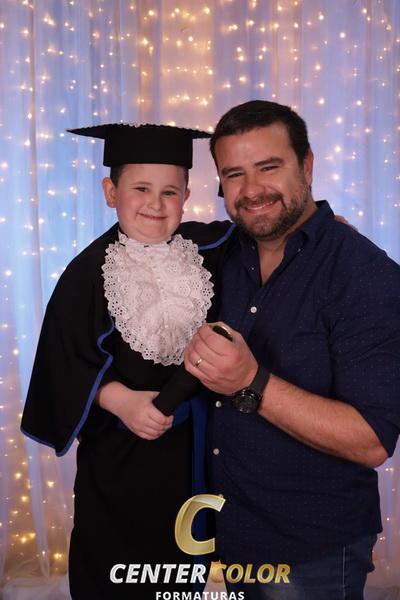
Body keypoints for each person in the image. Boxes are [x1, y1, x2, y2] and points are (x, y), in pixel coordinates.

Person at [184, 100, 400, 599]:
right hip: (231, 532)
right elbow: (140, 230)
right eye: (234, 174)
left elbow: (372, 441)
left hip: (312, 548)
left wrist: (252, 381)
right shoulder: (218, 253)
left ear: (306, 164)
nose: (251, 190)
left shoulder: (364, 274)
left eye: (268, 167)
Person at [21, 123, 234, 599]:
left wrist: (321, 223)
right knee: (116, 563)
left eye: (170, 192)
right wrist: (119, 400)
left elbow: (260, 233)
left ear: (186, 197)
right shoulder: (88, 272)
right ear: (111, 192)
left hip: (192, 450)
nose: (155, 204)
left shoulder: (205, 251)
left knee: (181, 562)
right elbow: (62, 358)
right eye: (140, 189)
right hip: (120, 456)